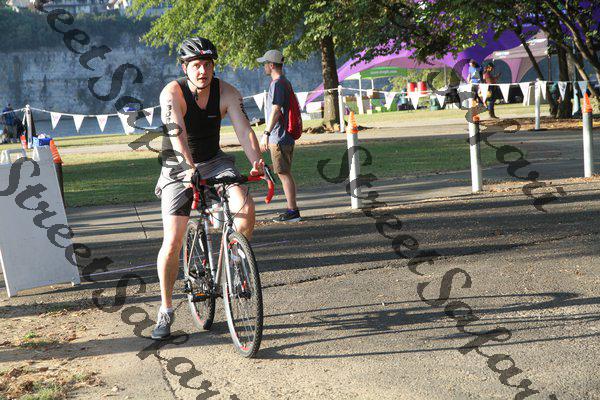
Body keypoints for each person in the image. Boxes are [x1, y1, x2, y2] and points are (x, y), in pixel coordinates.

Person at [152, 37, 265, 340]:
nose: (203, 71)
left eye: (208, 64)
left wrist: (257, 162)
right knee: (173, 240)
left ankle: (237, 264)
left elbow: (244, 130)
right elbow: (176, 134)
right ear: (185, 68)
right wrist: (189, 169)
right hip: (178, 165)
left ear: (214, 66)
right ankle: (166, 310)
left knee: (245, 207)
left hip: (215, 161)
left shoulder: (227, 92)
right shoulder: (172, 93)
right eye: (196, 65)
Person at [257, 49, 301, 222]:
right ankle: (292, 209)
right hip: (285, 136)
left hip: (279, 136)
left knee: (283, 173)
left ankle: (292, 211)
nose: (263, 67)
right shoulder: (285, 82)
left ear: (271, 65)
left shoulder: (277, 84)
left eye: (265, 64)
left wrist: (266, 133)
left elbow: (276, 110)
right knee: (284, 172)